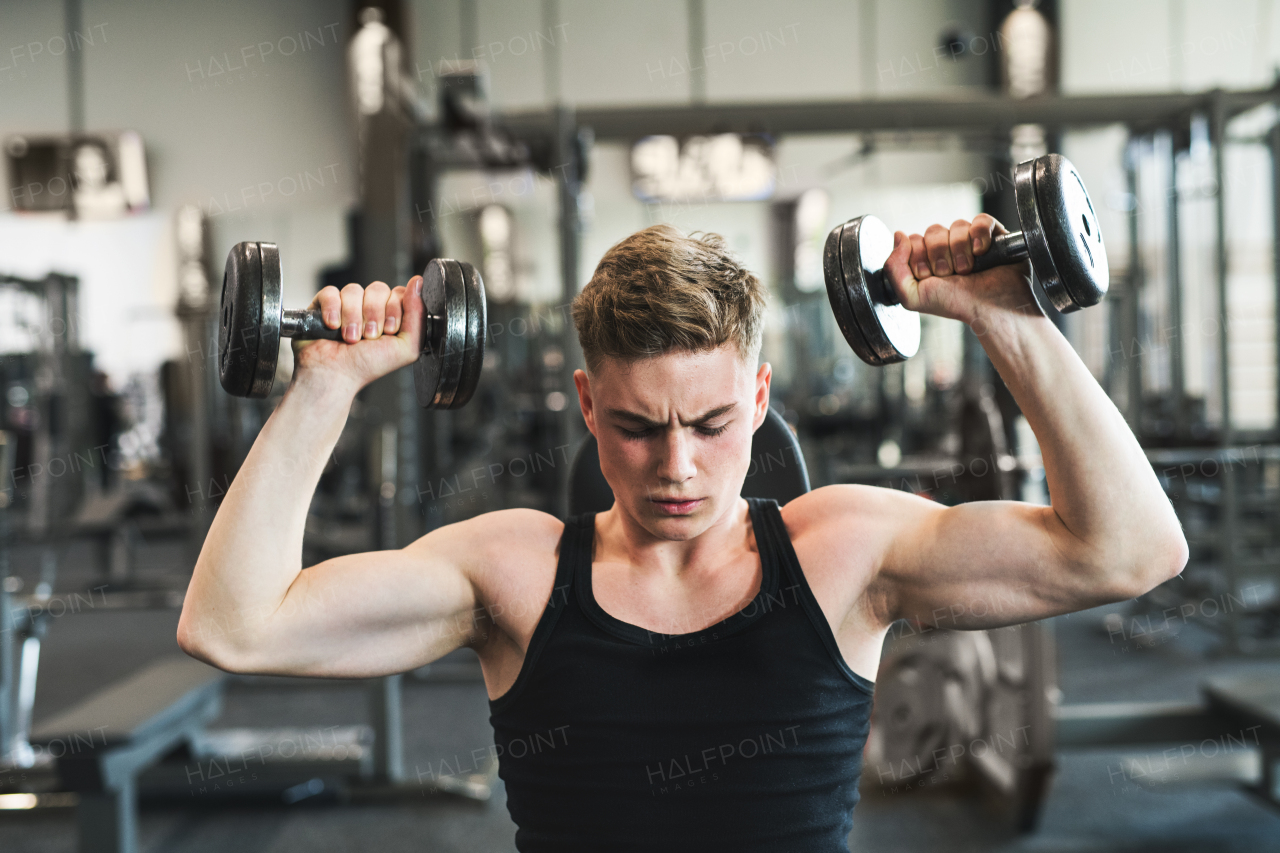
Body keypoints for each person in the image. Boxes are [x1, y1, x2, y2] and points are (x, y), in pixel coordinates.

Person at [178, 218, 1187, 851]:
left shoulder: (842, 551)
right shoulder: (514, 570)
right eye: (635, 426)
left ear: (756, 398)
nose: (677, 467)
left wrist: (1008, 321)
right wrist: (325, 384)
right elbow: (238, 628)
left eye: (710, 425)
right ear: (585, 403)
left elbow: (1129, 551)